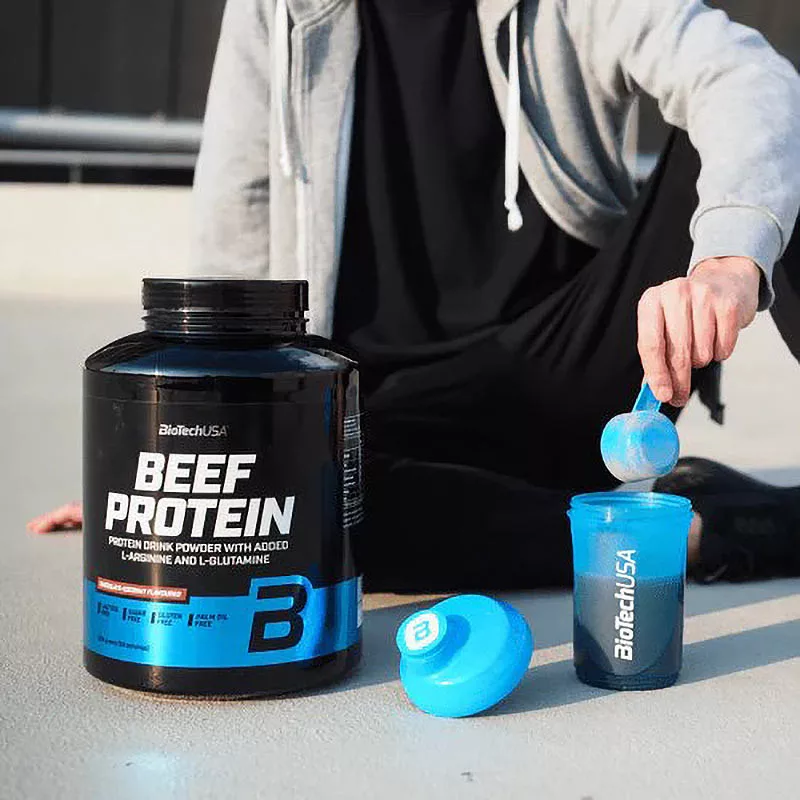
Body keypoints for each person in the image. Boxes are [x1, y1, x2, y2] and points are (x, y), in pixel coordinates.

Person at [30, 0, 800, 590]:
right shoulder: (279, 10)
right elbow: (238, 219)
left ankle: (601, 529)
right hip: (381, 410)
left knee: (777, 129)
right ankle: (687, 533)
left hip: (585, 367)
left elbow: (743, 74)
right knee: (311, 513)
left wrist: (728, 260)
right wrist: (186, 462)